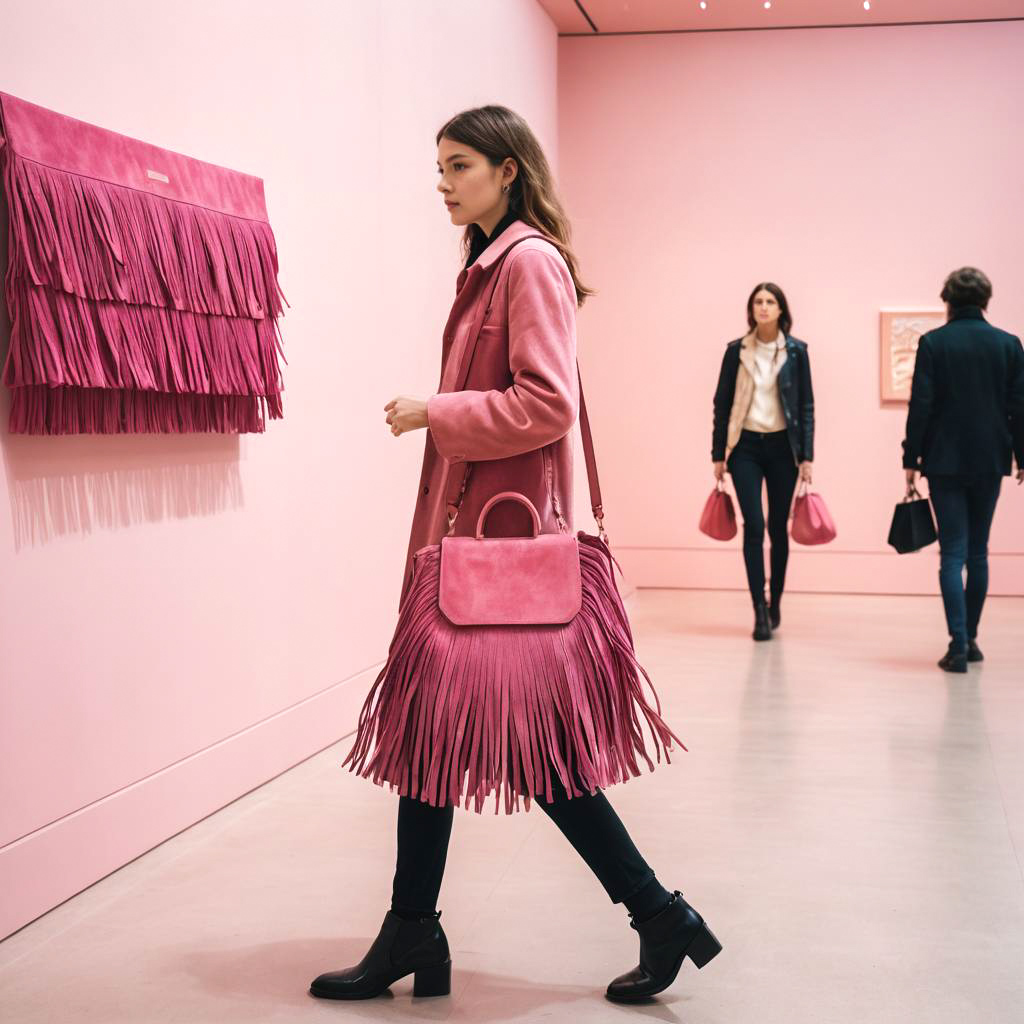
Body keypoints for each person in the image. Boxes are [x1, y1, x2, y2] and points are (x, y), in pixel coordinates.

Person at [308, 105, 720, 1004]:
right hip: (473, 550)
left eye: (459, 165)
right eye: (441, 167)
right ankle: (423, 926)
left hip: (500, 557)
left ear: (507, 171)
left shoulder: (526, 263)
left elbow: (547, 404)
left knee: (522, 752)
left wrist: (436, 409)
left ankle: (652, 913)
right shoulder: (485, 264)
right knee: (437, 733)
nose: (444, 183)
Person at [902, 267, 1024, 673]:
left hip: (943, 461)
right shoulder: (1009, 345)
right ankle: (971, 639)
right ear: (986, 301)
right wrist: (1021, 455)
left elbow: (921, 406)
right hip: (990, 459)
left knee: (952, 552)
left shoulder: (934, 343)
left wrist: (910, 458)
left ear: (948, 301)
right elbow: (1018, 408)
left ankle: (957, 644)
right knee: (978, 551)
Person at [711, 283, 815, 640]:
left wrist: (807, 456)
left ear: (781, 309)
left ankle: (775, 603)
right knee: (753, 526)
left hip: (784, 449)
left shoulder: (797, 353)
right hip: (746, 450)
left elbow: (806, 407)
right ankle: (758, 607)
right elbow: (721, 405)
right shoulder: (736, 351)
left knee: (777, 529)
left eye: (771, 302)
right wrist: (718, 453)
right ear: (751, 309)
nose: (764, 307)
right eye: (758, 302)